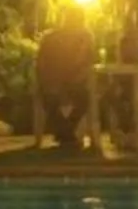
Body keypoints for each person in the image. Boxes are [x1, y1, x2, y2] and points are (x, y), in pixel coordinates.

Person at [36, 13, 97, 151]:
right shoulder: (51, 39)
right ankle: (66, 133)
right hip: (53, 81)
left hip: (73, 82)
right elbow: (41, 63)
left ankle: (64, 132)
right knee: (52, 98)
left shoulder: (84, 39)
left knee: (84, 97)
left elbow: (89, 62)